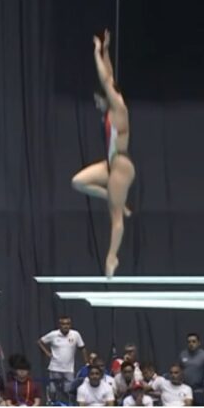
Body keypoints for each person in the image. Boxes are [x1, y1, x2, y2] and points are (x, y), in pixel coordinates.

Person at [71, 29, 135, 276]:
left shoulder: (118, 107)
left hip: (121, 165)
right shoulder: (111, 105)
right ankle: (113, 197)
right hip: (109, 165)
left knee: (115, 217)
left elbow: (106, 80)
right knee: (78, 182)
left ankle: (111, 258)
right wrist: (107, 51)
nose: (97, 104)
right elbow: (109, 78)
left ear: (107, 98)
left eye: (98, 101)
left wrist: (97, 51)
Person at [38, 316, 89, 402]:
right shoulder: (53, 334)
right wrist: (47, 353)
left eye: (68, 324)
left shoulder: (75, 334)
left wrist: (87, 362)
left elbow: (82, 348)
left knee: (68, 391)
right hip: (54, 368)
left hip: (68, 369)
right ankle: (52, 405)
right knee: (53, 390)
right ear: (59, 325)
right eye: (63, 324)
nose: (66, 326)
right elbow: (40, 342)